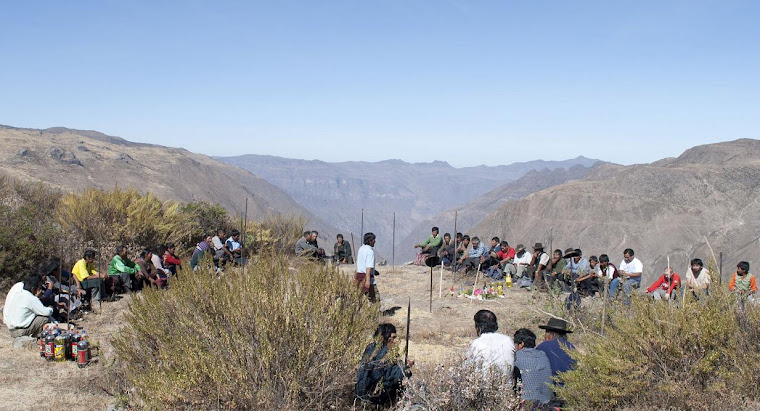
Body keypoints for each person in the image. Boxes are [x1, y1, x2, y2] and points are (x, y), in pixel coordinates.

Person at [355, 324, 411, 406]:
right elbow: (393, 376)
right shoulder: (386, 353)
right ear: (386, 337)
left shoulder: (370, 348)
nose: (395, 341)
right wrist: (406, 367)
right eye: (394, 337)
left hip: (360, 394)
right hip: (375, 397)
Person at [3, 274, 54, 338]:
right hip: (20, 331)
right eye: (39, 288)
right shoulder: (30, 298)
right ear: (33, 289)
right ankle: (36, 337)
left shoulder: (20, 293)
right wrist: (50, 308)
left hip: (12, 330)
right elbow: (46, 312)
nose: (41, 290)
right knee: (44, 318)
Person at [465, 310, 515, 375]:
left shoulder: (476, 344)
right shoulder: (508, 340)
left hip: (483, 384)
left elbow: (467, 367)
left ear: (478, 326)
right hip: (506, 384)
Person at [512, 328, 553, 406]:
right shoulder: (543, 355)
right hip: (547, 403)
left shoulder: (516, 357)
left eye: (516, 344)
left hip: (526, 405)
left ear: (521, 344)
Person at [356, 232, 378, 303]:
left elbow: (363, 264)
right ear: (370, 241)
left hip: (359, 276)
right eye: (373, 240)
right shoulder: (369, 251)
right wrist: (368, 280)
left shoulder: (361, 249)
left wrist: (374, 271)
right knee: (374, 298)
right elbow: (368, 267)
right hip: (367, 277)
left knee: (360, 297)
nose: (375, 241)